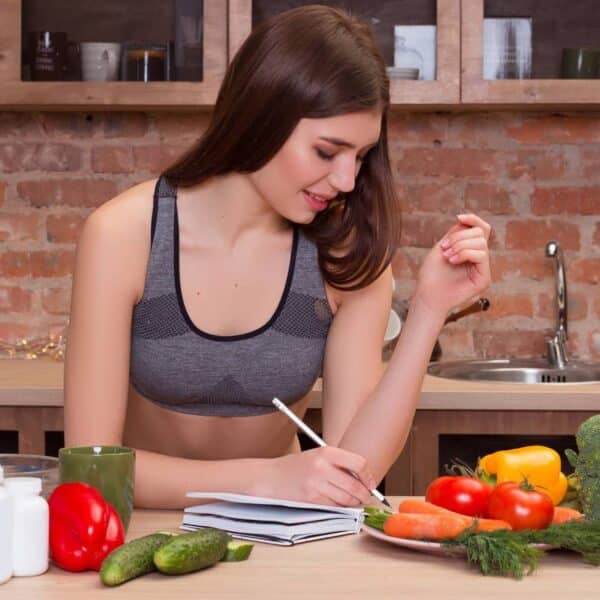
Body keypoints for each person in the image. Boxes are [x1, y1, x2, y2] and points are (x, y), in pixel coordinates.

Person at [64, 5, 491, 509]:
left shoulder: (346, 253)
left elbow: (355, 472)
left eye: (361, 156)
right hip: (147, 529)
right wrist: (264, 480)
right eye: (327, 152)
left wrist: (429, 310)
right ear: (262, 116)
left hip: (282, 535)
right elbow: (91, 470)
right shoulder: (122, 236)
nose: (347, 182)